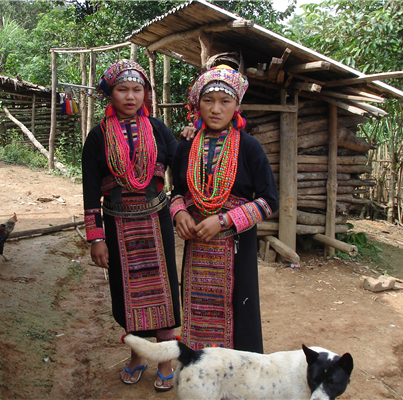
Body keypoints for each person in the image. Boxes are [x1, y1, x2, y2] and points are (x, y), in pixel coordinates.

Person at [82, 59, 180, 391]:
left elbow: (180, 166)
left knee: (164, 291)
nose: (130, 96)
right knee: (127, 294)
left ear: (145, 94)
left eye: (137, 89)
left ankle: (165, 358)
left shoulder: (158, 128)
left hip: (157, 218)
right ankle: (138, 356)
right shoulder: (97, 138)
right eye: (122, 89)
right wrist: (96, 238)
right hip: (117, 224)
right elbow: (90, 191)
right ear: (110, 94)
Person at [170, 65, 279, 353]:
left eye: (225, 101)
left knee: (239, 312)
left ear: (237, 106)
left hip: (236, 248)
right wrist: (180, 212)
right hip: (196, 248)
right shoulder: (185, 147)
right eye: (208, 101)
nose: (215, 109)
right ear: (197, 104)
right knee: (196, 306)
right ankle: (199, 370)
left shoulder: (250, 147)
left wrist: (225, 220)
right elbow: (176, 192)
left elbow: (269, 200)